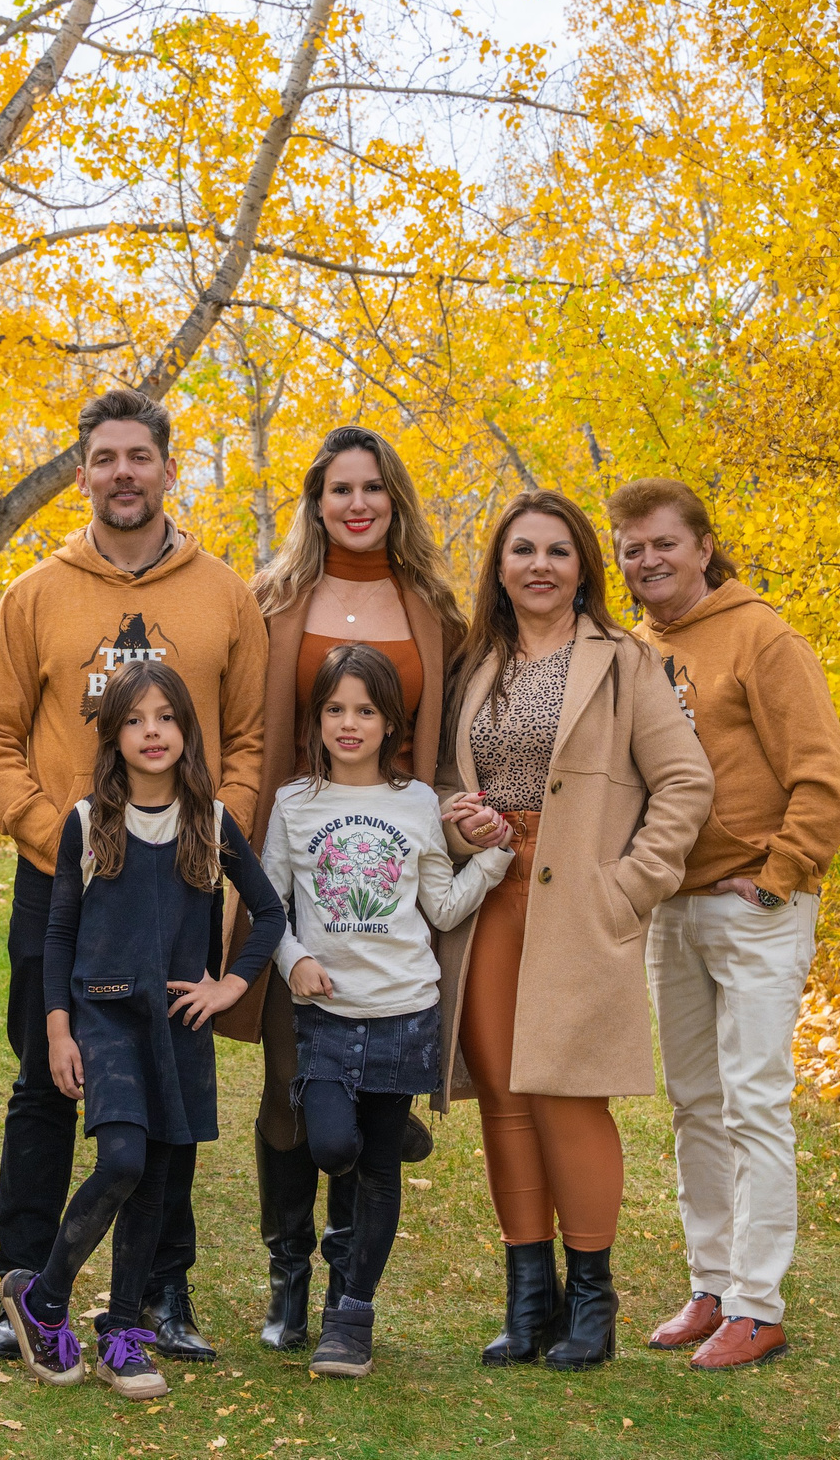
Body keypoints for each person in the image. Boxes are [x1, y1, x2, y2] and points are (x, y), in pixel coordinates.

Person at [0, 388, 268, 1363]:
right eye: (104, 458)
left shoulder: (223, 593)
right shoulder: (36, 594)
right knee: (45, 1082)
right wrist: (56, 837)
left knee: (172, 1085)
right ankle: (23, 1283)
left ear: (169, 468)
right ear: (82, 473)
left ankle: (160, 1293)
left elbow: (251, 737)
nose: (123, 472)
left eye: (140, 455)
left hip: (180, 879)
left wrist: (214, 840)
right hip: (67, 877)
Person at [435, 489, 712, 1371]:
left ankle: (593, 1299)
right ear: (500, 565)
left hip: (578, 906)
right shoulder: (476, 662)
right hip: (492, 900)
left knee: (567, 1094)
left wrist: (628, 888)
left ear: (583, 565)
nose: (540, 565)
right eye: (523, 549)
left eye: (558, 550)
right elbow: (446, 782)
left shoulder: (625, 661)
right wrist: (461, 823)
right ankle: (530, 1302)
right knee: (505, 1098)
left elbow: (686, 782)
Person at [228, 425, 466, 1353]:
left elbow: (459, 722)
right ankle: (287, 1272)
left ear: (394, 500)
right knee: (290, 1081)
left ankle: (346, 1287)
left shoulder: (434, 606)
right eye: (340, 489)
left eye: (373, 488)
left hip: (393, 858)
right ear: (316, 502)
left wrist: (464, 820)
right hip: (298, 853)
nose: (358, 503)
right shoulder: (274, 598)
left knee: (371, 1087)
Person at [0, 662, 288, 1403]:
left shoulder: (210, 822)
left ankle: (123, 1332)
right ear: (112, 735)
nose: (151, 732)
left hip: (178, 1025)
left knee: (158, 1181)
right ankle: (44, 1298)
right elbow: (59, 933)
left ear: (187, 728)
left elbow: (270, 913)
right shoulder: (86, 822)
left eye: (165, 717)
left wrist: (229, 985)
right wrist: (58, 1030)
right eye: (134, 720)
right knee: (122, 1159)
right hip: (104, 1019)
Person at [613, 478, 840, 1372]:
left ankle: (759, 1303)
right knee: (694, 1104)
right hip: (672, 906)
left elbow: (824, 775)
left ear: (704, 547)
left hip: (755, 905)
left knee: (754, 1100)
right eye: (631, 548)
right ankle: (712, 1284)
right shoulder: (634, 649)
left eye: (664, 543)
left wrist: (780, 876)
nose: (647, 561)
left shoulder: (762, 636)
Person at [261, 645, 512, 1376]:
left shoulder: (415, 804)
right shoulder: (294, 803)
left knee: (373, 1171)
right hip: (327, 1016)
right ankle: (386, 1127)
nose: (349, 723)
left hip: (405, 1012)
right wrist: (293, 959)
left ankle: (351, 1316)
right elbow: (269, 903)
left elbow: (443, 905)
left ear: (391, 723)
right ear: (316, 719)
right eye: (335, 709)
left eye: (365, 710)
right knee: (330, 1146)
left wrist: (494, 859)